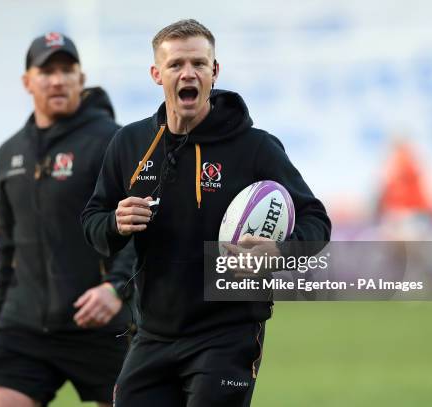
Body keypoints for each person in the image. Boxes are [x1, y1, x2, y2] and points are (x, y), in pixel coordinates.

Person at [82, 19, 331, 406]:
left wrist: (278, 252)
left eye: (199, 63)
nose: (189, 73)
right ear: (156, 74)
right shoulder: (129, 144)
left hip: (227, 334)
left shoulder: (256, 147)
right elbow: (92, 221)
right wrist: (114, 223)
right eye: (176, 64)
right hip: (153, 334)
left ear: (214, 71)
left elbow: (317, 221)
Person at [0, 32, 135, 407]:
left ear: (81, 80)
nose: (58, 79)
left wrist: (116, 289)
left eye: (67, 70)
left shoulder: (113, 142)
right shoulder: (10, 153)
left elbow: (141, 231)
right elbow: (8, 245)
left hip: (103, 324)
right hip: (25, 327)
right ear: (27, 81)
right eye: (46, 70)